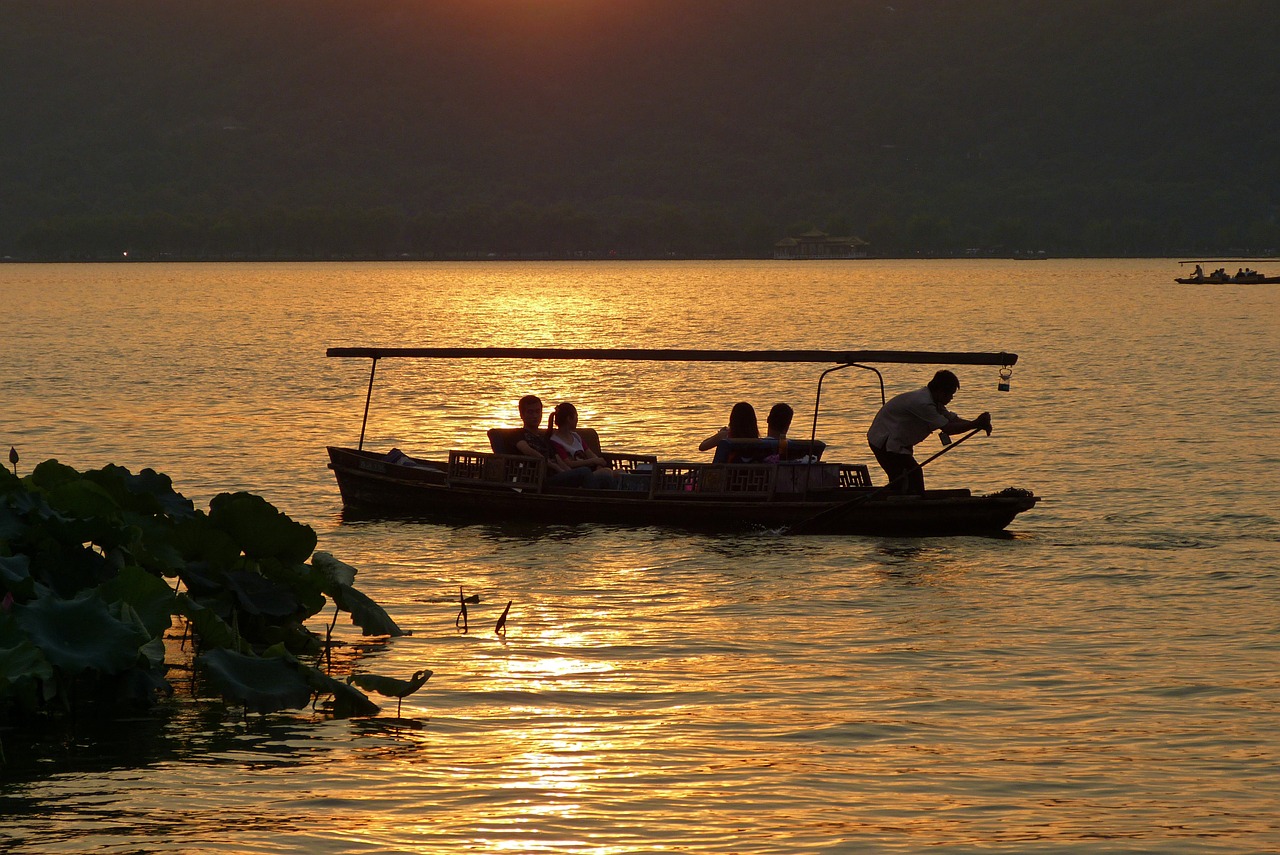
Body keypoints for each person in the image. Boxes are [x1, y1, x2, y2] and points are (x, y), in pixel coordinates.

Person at [866, 370, 991, 495]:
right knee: (908, 476)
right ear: (940, 391)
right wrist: (975, 423)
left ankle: (906, 502)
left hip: (898, 442)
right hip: (884, 441)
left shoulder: (934, 402)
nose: (951, 398)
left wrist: (977, 423)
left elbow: (953, 419)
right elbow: (949, 429)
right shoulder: (923, 403)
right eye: (950, 394)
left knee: (908, 478)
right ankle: (906, 507)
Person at [513, 396, 605, 488]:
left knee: (605, 476)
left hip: (558, 475)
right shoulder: (517, 434)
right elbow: (527, 450)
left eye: (537, 411)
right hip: (540, 479)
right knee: (584, 471)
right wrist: (551, 464)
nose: (535, 416)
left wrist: (568, 472)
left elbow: (558, 459)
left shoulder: (545, 439)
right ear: (522, 414)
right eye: (530, 412)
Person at [547, 401, 619, 488]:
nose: (577, 419)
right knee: (606, 473)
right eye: (576, 416)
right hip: (579, 476)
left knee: (620, 473)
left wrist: (598, 463)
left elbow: (591, 454)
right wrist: (593, 461)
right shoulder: (555, 441)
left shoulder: (576, 436)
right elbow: (569, 463)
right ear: (569, 418)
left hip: (591, 471)